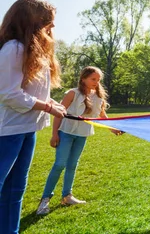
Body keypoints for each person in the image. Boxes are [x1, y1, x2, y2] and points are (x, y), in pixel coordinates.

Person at [0, 0, 67, 234]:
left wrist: (49, 102)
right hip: (7, 132)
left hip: (27, 129)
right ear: (32, 21)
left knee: (16, 188)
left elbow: (31, 92)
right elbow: (8, 94)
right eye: (48, 21)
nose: (53, 27)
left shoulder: (33, 53)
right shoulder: (13, 49)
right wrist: (47, 107)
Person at [36, 66, 121, 215]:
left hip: (82, 134)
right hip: (66, 132)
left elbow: (102, 116)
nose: (96, 82)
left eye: (98, 80)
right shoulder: (72, 94)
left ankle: (67, 196)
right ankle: (45, 200)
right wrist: (54, 134)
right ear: (83, 78)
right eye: (93, 79)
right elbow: (58, 114)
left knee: (72, 165)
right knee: (59, 164)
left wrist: (113, 129)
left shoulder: (98, 97)